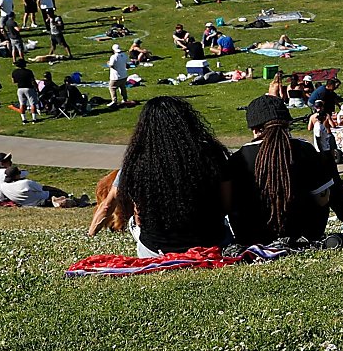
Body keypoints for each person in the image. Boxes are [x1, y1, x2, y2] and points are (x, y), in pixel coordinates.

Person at [90, 98, 235, 252]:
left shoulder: (137, 160)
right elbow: (226, 205)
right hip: (212, 243)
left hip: (157, 248)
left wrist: (91, 233)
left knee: (136, 221)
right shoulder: (212, 154)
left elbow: (108, 205)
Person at [228, 94, 338, 246]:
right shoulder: (304, 149)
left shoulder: (239, 157)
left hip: (253, 238)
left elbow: (229, 204)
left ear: (254, 128)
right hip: (303, 234)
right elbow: (322, 198)